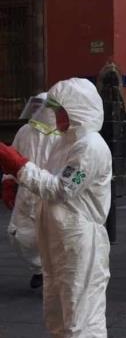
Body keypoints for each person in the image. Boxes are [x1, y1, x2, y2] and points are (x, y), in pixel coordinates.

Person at [0, 78, 114, 338]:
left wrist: (18, 168)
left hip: (80, 238)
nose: (55, 118)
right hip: (59, 235)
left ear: (77, 111)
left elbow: (62, 190)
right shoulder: (65, 142)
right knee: (57, 302)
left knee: (81, 304)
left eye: (60, 111)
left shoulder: (90, 147)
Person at [2, 93, 58, 289]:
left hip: (49, 192)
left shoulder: (62, 136)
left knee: (51, 236)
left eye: (38, 107)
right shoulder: (24, 131)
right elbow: (12, 155)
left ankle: (48, 272)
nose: (35, 111)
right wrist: (8, 182)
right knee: (19, 235)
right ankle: (39, 269)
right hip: (26, 193)